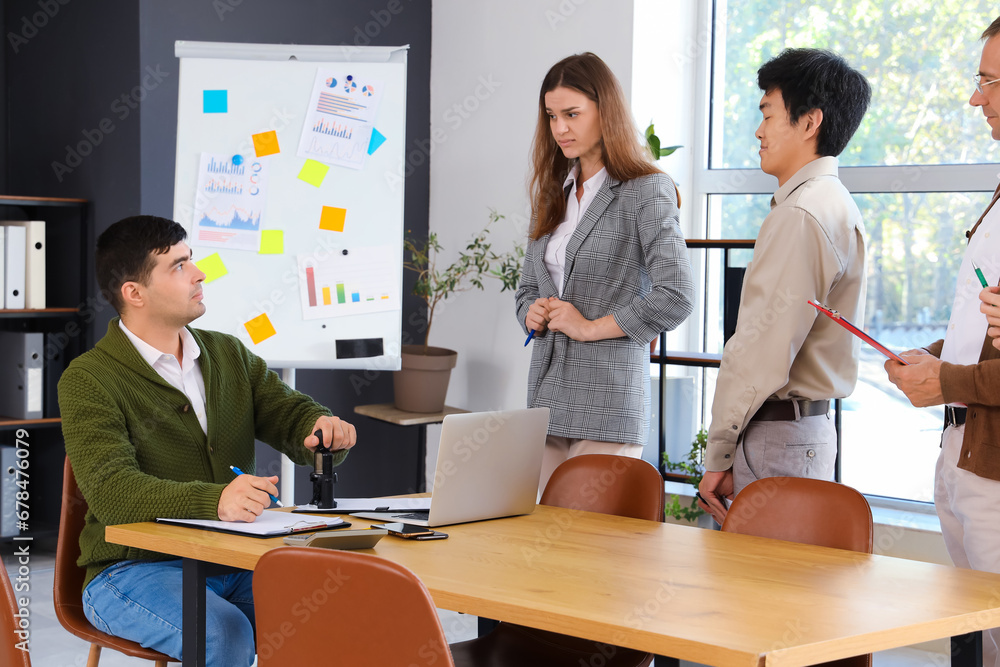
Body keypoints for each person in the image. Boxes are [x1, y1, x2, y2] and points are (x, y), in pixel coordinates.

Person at [57, 215, 357, 665]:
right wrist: (216, 500)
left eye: (191, 259)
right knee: (223, 634)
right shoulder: (88, 379)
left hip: (231, 560)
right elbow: (112, 492)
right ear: (134, 293)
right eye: (178, 266)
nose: (198, 273)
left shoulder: (226, 353)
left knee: (339, 614)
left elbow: (291, 417)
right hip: (131, 570)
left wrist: (322, 429)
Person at [698, 49, 872, 524]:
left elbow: (759, 350)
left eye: (768, 114)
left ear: (809, 121)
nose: (759, 131)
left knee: (757, 592)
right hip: (803, 432)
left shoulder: (800, 213)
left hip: (781, 437)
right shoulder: (833, 202)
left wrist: (718, 455)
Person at [515, 52, 695, 493]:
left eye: (572, 114)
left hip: (608, 403)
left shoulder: (647, 190)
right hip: (546, 397)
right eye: (552, 116)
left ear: (605, 111)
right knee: (536, 543)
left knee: (585, 551)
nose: (560, 129)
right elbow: (525, 288)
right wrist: (530, 313)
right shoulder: (552, 194)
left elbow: (677, 293)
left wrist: (590, 327)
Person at [885, 16, 1000, 667]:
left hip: (993, 461)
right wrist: (934, 356)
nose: (974, 96)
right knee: (982, 637)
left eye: (988, 80)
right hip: (962, 447)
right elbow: (979, 332)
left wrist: (946, 380)